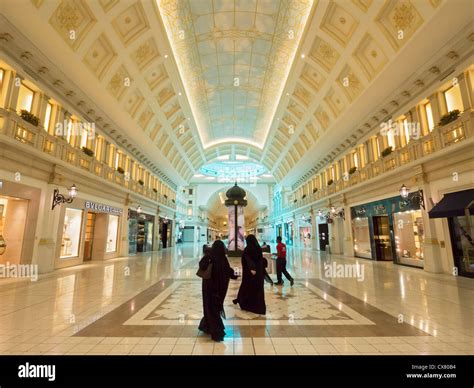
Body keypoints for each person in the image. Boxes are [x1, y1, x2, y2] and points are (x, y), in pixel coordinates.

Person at [198, 241, 238, 342]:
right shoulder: (223, 259)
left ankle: (216, 330)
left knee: (209, 307)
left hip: (208, 289)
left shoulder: (209, 256)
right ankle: (207, 326)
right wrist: (234, 275)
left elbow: (201, 266)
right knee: (215, 308)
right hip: (219, 290)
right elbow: (228, 271)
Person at [233, 234, 266, 315]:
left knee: (248, 288)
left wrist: (252, 268)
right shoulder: (258, 248)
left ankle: (248, 305)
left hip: (250, 273)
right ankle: (257, 306)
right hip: (259, 273)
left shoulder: (248, 249)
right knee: (256, 289)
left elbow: (248, 260)